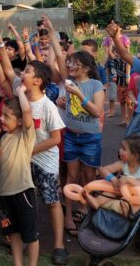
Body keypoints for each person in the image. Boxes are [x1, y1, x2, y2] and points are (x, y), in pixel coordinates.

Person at [21, 61, 67, 265]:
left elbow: (56, 139)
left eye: (27, 72)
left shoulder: (48, 106)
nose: (23, 74)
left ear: (37, 81)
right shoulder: (21, 101)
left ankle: (59, 244)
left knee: (52, 202)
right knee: (27, 202)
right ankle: (29, 238)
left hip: (45, 163)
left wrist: (29, 151)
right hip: (24, 161)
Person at [59, 51, 105, 235]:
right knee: (71, 178)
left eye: (74, 63)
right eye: (69, 63)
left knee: (89, 179)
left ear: (86, 68)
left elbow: (96, 112)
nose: (70, 66)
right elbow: (59, 57)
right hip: (70, 136)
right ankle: (68, 217)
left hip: (90, 139)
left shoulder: (95, 84)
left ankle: (88, 213)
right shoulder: (69, 82)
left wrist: (78, 94)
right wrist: (52, 31)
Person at [0, 87, 39, 266]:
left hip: (23, 192)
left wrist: (21, 93)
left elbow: (27, 111)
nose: (1, 119)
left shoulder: (26, 135)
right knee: (12, 232)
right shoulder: (4, 137)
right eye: (1, 115)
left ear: (20, 121)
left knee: (30, 234)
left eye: (7, 117)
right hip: (5, 194)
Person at [85, 135, 140, 216]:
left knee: (128, 200)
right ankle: (97, 202)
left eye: (124, 149)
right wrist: (112, 178)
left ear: (135, 156)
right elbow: (103, 169)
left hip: (137, 195)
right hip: (122, 190)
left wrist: (128, 180)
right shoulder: (123, 164)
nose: (120, 151)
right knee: (111, 192)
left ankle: (126, 211)